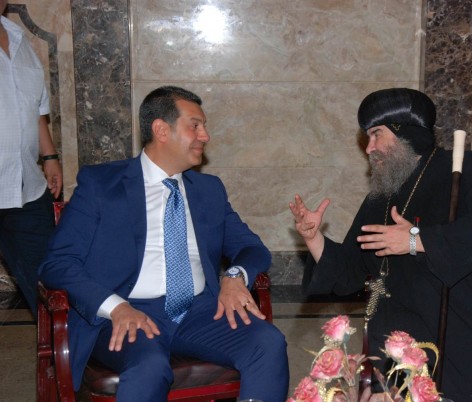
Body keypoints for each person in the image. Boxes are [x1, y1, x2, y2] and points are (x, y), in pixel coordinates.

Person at [290, 88, 472, 401]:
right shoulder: (380, 198)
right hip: (417, 337)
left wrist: (417, 239)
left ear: (405, 132)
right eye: (367, 138)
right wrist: (313, 237)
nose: (369, 148)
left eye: (376, 135)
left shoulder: (470, 169)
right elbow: (349, 271)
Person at [39, 86, 289, 401]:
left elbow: (251, 248)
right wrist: (116, 307)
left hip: (201, 311)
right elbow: (57, 263)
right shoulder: (101, 184)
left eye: (204, 126)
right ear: (161, 130)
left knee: (267, 342)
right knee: (149, 366)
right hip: (129, 310)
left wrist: (235, 276)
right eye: (195, 125)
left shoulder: (209, 190)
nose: (205, 136)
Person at [0, 0, 62, 314]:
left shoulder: (18, 39)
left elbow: (36, 109)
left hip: (27, 186)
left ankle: (58, 343)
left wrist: (49, 156)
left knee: (48, 280)